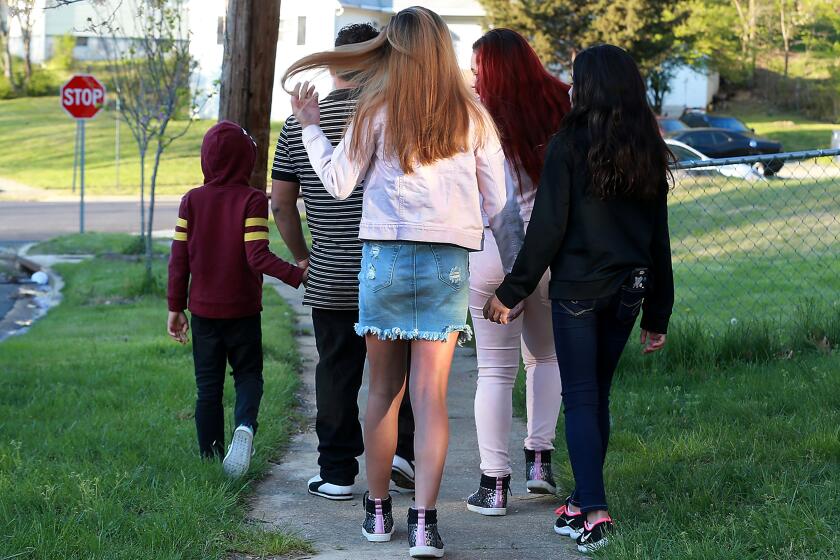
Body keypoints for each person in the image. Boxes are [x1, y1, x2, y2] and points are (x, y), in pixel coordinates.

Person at [284, 7, 522, 557]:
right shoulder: (474, 115)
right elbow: (502, 207)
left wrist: (313, 128)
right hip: (446, 261)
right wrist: (515, 278)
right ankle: (424, 526)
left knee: (383, 392)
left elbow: (340, 183)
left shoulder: (375, 109)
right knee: (431, 397)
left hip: (384, 259)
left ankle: (376, 512)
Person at [484, 44, 674, 553]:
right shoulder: (648, 147)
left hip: (579, 294)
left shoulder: (568, 144)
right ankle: (579, 500)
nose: (567, 85)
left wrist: (511, 290)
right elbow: (659, 240)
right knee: (596, 396)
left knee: (584, 397)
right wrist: (658, 312)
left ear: (587, 86)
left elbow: (547, 229)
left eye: (574, 78)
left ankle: (595, 512)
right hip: (630, 290)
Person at [271, 22, 416, 501]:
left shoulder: (297, 126)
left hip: (332, 270)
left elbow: (281, 203)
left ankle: (336, 471)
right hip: (391, 264)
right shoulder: (398, 115)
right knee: (395, 368)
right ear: (378, 64)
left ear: (334, 65)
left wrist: (301, 254)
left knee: (336, 369)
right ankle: (401, 453)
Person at [465, 28, 570, 517]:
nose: (469, 74)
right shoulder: (558, 105)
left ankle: (494, 484)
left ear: (487, 70)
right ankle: (540, 462)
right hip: (550, 252)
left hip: (489, 252)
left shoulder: (472, 116)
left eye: (475, 67)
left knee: (494, 370)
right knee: (544, 360)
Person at [167, 121, 307, 478]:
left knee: (207, 387)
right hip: (243, 309)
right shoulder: (252, 200)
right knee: (248, 374)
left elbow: (178, 257)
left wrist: (174, 306)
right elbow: (256, 255)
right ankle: (244, 426)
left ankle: (211, 461)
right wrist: (296, 274)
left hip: (202, 311)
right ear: (246, 160)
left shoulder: (191, 201)